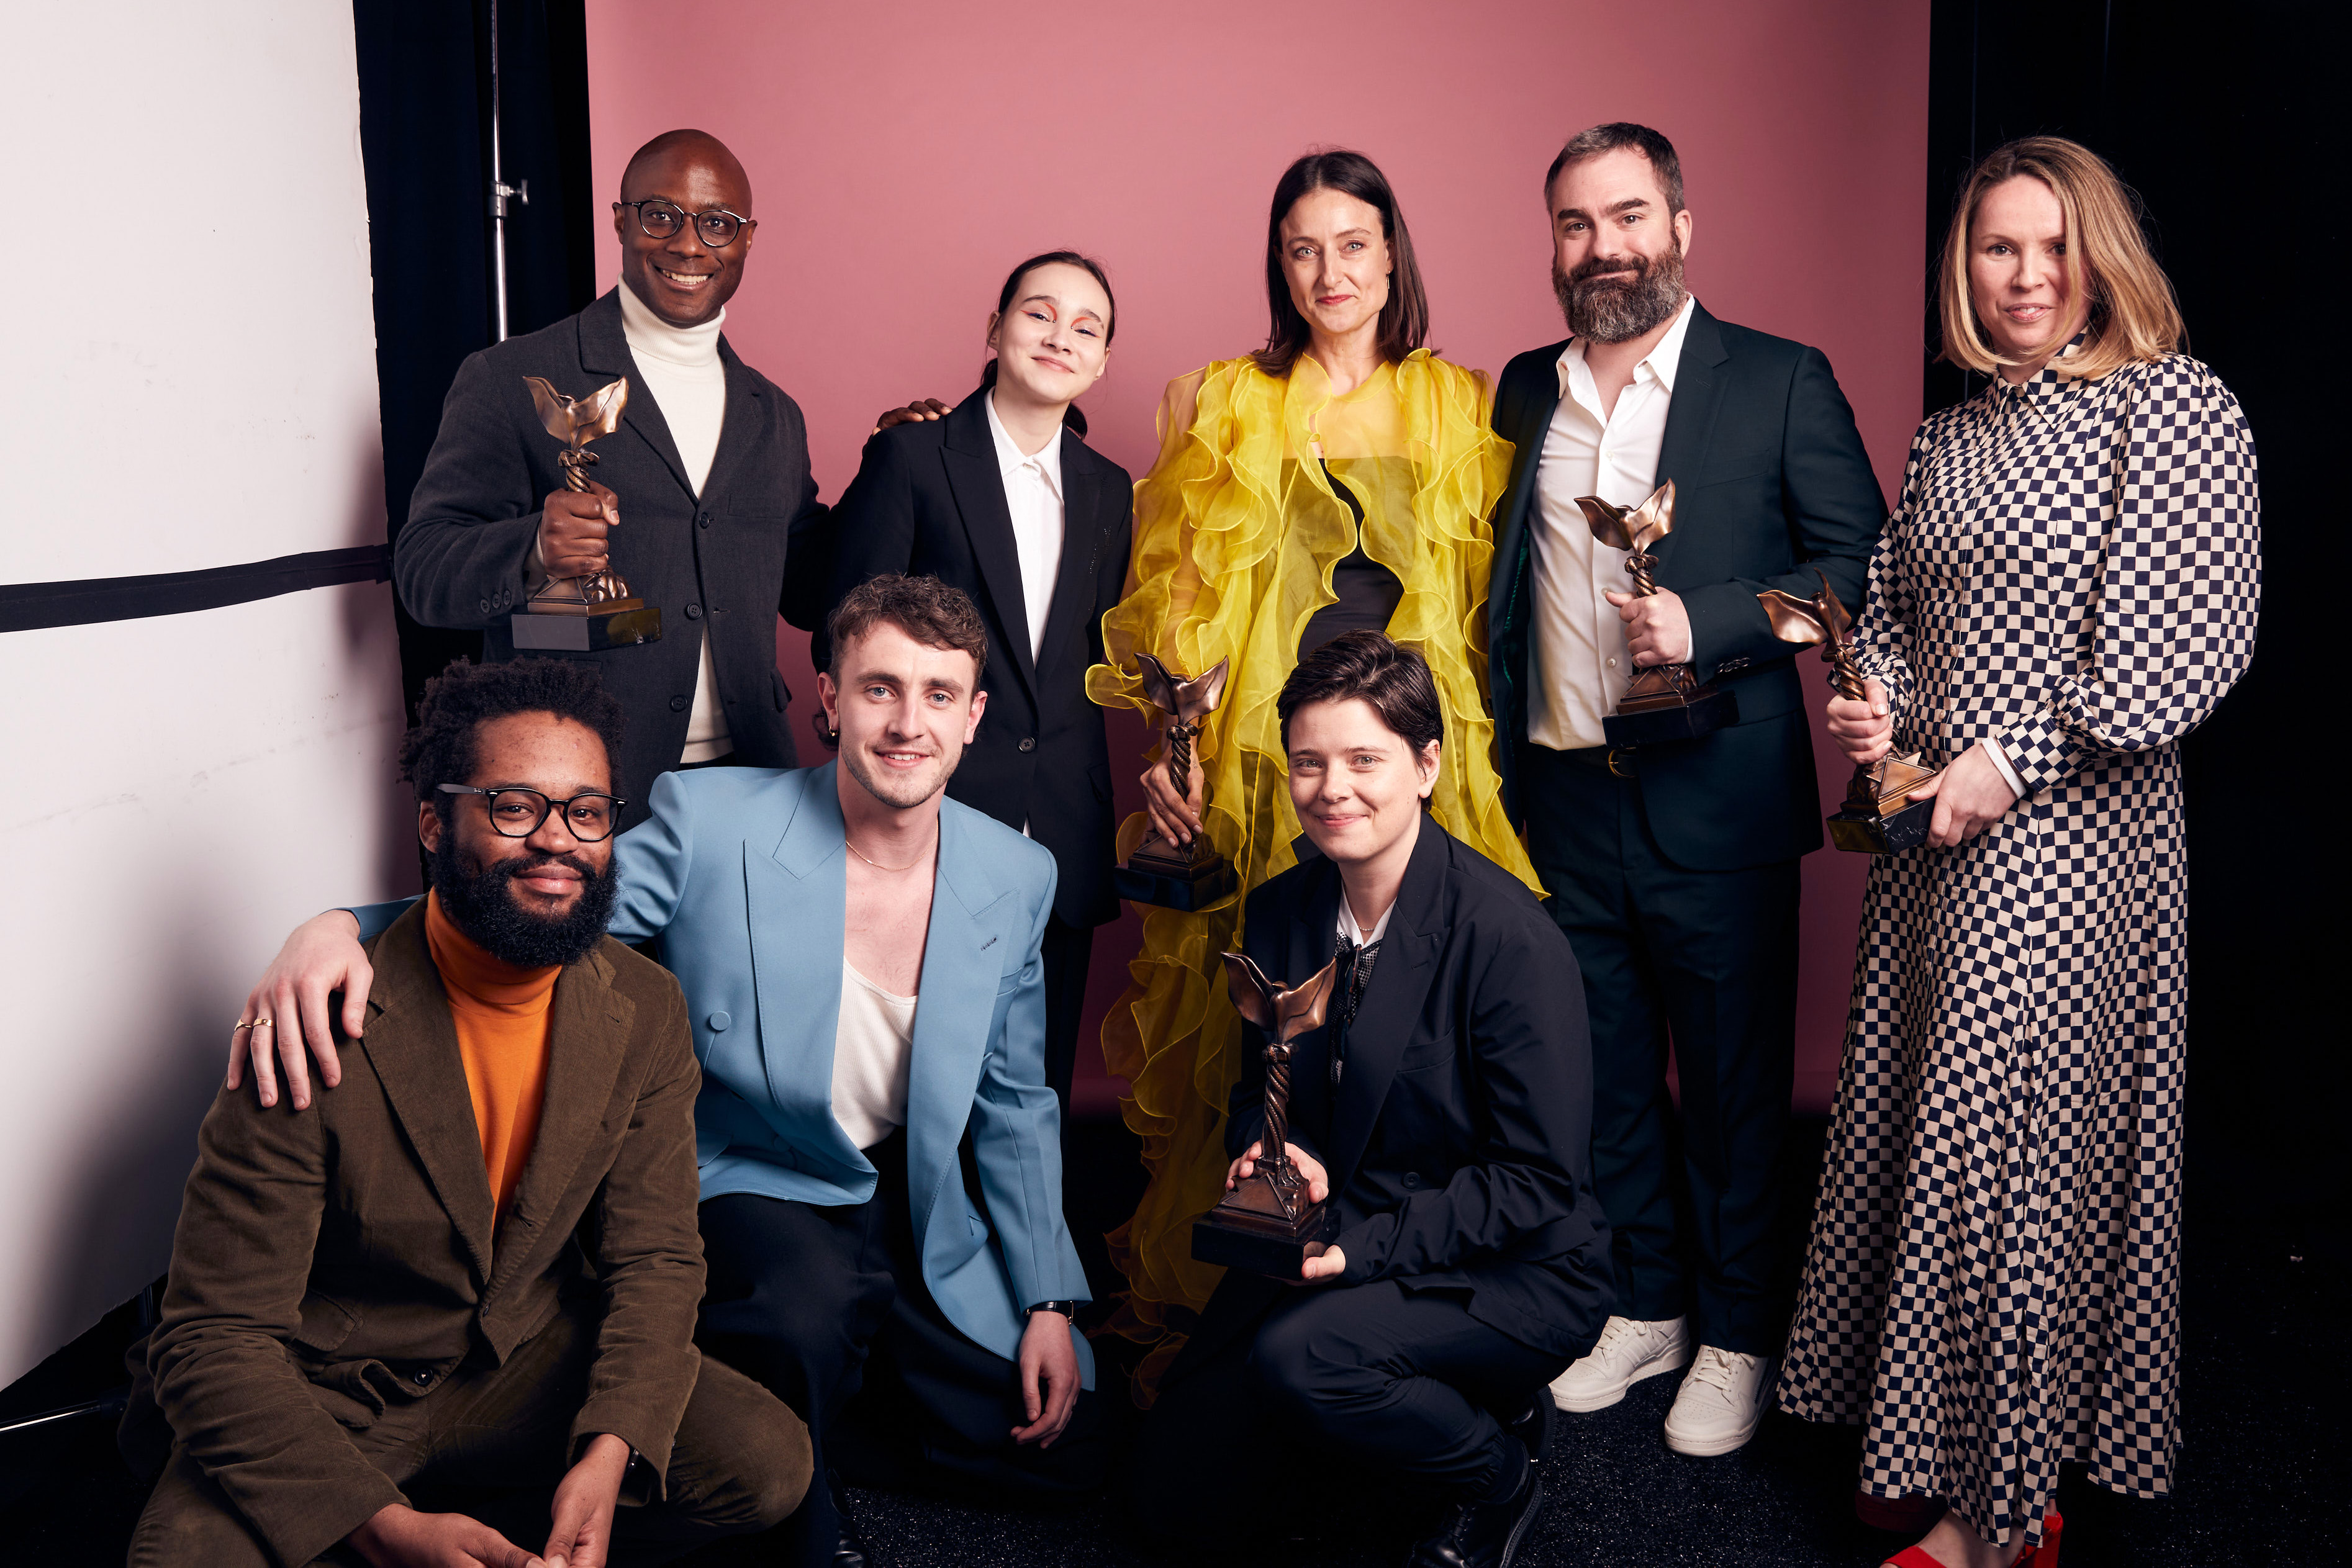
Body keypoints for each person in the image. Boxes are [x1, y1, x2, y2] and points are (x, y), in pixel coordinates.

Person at [230, 577, 1101, 1568]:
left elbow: (1015, 1097)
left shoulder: (1016, 875)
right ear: (827, 698)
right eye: (880, 689)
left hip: (912, 1186)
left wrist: (1050, 1299)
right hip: (752, 1169)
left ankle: (838, 1397)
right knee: (806, 1311)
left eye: (939, 695)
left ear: (974, 715)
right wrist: (338, 925)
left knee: (1065, 1447)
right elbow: (542, 897)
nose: (909, 723)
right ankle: (807, 1510)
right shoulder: (715, 820)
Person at [1777, 137, 2259, 1568]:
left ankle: (2000, 1510)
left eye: (2054, 245)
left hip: (2070, 839)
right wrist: (1883, 708)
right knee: (1914, 1125)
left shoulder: (2171, 409)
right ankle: (1916, 1435)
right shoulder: (1954, 432)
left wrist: (2008, 759)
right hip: (1936, 828)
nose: (2029, 274)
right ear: (1965, 266)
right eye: (1999, 247)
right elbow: (1901, 606)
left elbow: (2191, 644)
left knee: (2010, 1154)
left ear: (2102, 253)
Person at [130, 658, 809, 1567]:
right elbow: (213, 1334)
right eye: (514, 806)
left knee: (766, 1464)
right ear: (433, 822)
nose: (558, 841)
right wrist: (384, 1528)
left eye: (587, 810)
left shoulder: (643, 1006)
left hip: (522, 1364)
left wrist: (609, 1449)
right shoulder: (314, 1011)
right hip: (335, 1388)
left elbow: (655, 1258)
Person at [1089, 150, 1542, 1376]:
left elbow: (1478, 603)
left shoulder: (1458, 401)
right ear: (1278, 265)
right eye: (1302, 247)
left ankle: (1409, 1282)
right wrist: (1179, 757)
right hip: (1263, 763)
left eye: (1352, 244)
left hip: (1409, 754)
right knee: (1260, 1020)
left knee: (1427, 1022)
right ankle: (1245, 1282)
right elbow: (1184, 604)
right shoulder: (1232, 399)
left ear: (1392, 256)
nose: (1327, 269)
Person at [1484, 123, 1884, 1454]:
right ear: (1552, 243)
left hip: (1713, 800)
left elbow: (1857, 565)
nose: (1604, 247)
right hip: (1559, 799)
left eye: (1627, 217)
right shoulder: (1522, 391)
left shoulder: (1775, 380)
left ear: (1681, 227)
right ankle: (1642, 1304)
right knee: (1595, 1081)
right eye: (1576, 224)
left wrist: (1710, 618)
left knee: (1727, 1087)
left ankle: (1735, 1333)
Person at [1128, 633, 1610, 1568]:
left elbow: (1537, 1179)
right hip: (1343, 1222)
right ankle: (1417, 1405)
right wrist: (1274, 1152)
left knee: (1304, 1363)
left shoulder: (1509, 937)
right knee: (1167, 1495)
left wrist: (1358, 1246)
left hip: (1509, 1266)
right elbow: (1252, 1090)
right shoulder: (1279, 910)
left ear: (1427, 766)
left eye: (1364, 759)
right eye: (1309, 761)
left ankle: (1500, 1467)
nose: (1331, 788)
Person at [394, 127, 830, 835]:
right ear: (621, 220)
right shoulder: (512, 379)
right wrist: (534, 548)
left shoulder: (773, 414)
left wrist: (896, 461)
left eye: (717, 224)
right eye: (661, 215)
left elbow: (810, 584)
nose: (689, 246)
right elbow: (422, 571)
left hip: (748, 784)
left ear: (747, 239)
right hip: (575, 789)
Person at [823, 252, 1134, 1112]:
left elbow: (1095, 660)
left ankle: (1028, 1245)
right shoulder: (915, 458)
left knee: (1038, 1090)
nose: (1060, 336)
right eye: (1040, 313)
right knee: (914, 1086)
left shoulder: (1111, 491)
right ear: (994, 331)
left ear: (1103, 360)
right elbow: (842, 625)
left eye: (1087, 327)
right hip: (927, 819)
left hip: (1062, 832)